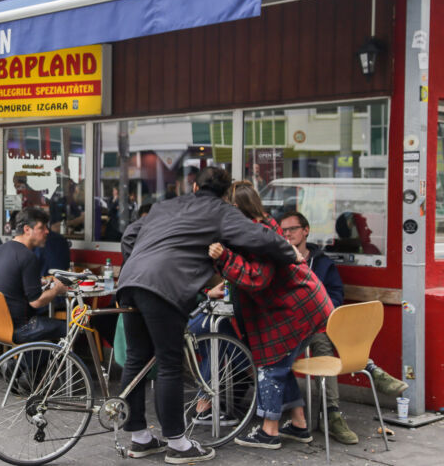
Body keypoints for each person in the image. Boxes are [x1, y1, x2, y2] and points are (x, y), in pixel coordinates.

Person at [116, 167, 297, 463]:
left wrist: (136, 264)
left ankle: (140, 438)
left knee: (137, 357)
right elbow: (258, 237)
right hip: (164, 289)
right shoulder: (222, 211)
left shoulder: (164, 206)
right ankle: (177, 443)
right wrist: (290, 252)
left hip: (130, 281)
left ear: (195, 186)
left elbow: (130, 235)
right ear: (226, 193)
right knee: (169, 364)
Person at [205, 181, 331, 450]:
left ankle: (269, 431)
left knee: (271, 368)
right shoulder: (264, 227)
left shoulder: (258, 234)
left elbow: (257, 278)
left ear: (236, 208)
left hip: (293, 309)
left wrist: (225, 257)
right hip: (300, 304)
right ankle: (298, 425)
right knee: (280, 365)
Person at [280, 211, 407, 445]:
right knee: (323, 334)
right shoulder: (279, 261)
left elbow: (335, 296)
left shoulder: (323, 263)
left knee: (322, 336)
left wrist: (320, 311)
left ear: (306, 230)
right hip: (287, 331)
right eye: (284, 230)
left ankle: (332, 413)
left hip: (316, 326)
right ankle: (367, 372)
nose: (288, 234)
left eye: (293, 229)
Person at [0, 208, 69, 343]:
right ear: (27, 229)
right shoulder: (27, 256)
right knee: (73, 328)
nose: (47, 231)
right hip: (21, 327)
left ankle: (27, 362)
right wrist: (57, 290)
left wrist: (39, 282)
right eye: (41, 228)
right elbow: (36, 302)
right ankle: (29, 363)